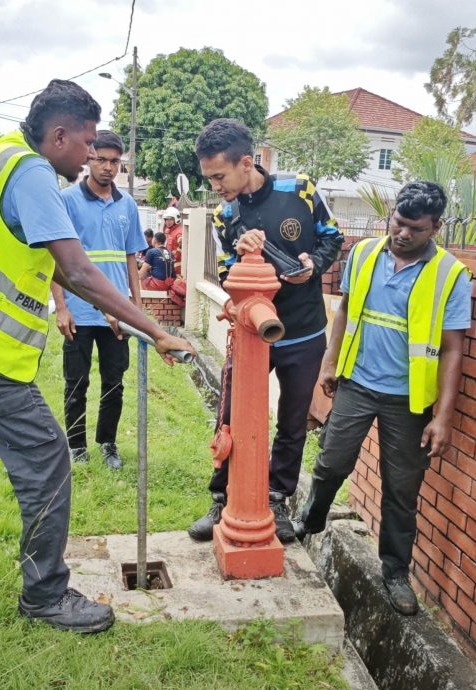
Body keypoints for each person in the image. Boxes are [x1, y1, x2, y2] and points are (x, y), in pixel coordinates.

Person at [0, 79, 193, 632]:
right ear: (59, 137)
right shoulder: (31, 172)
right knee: (48, 461)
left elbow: (41, 261)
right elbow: (74, 269)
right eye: (86, 142)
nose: (90, 155)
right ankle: (46, 596)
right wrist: (157, 330)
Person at [293, 181, 472, 616]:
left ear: (436, 228)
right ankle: (311, 521)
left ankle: (395, 572)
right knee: (331, 462)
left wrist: (442, 417)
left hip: (408, 401)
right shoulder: (363, 254)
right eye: (398, 222)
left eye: (416, 228)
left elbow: (452, 349)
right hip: (356, 382)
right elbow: (345, 310)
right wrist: (329, 364)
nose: (403, 234)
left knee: (401, 490)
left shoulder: (451, 275)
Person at [188, 118, 343, 544]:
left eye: (219, 176)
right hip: (252, 335)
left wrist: (312, 265)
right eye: (209, 178)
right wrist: (237, 259)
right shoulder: (227, 215)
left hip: (304, 332)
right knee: (232, 416)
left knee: (292, 423)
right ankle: (220, 499)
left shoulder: (301, 190)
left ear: (245, 162)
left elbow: (333, 238)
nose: (215, 186)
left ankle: (276, 499)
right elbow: (223, 272)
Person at [51, 130, 146, 470]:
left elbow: (131, 258)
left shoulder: (128, 205)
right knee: (76, 382)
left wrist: (135, 306)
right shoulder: (66, 201)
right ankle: (76, 446)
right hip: (78, 312)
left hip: (117, 315)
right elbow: (55, 260)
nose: (108, 167)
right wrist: (61, 307)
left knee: (114, 383)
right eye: (101, 160)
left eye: (114, 162)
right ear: (88, 159)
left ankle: (107, 443)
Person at [161, 207, 183, 277]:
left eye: (170, 219)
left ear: (176, 219)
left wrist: (180, 241)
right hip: (168, 264)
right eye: (166, 219)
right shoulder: (167, 231)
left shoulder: (179, 231)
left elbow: (181, 241)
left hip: (177, 267)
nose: (168, 222)